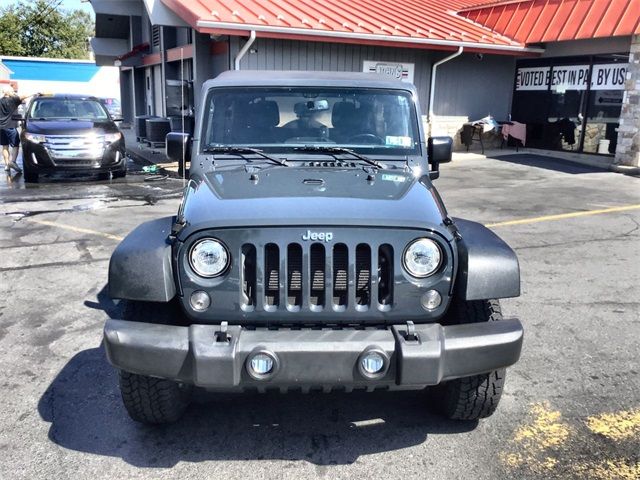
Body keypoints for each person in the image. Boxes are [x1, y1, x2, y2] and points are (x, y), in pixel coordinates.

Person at [0, 85, 33, 174]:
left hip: (1, 127)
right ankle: (13, 162)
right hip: (10, 126)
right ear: (9, 92)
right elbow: (24, 96)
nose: (14, 93)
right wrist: (36, 93)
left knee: (5, 146)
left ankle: (7, 165)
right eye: (12, 91)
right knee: (15, 145)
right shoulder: (13, 100)